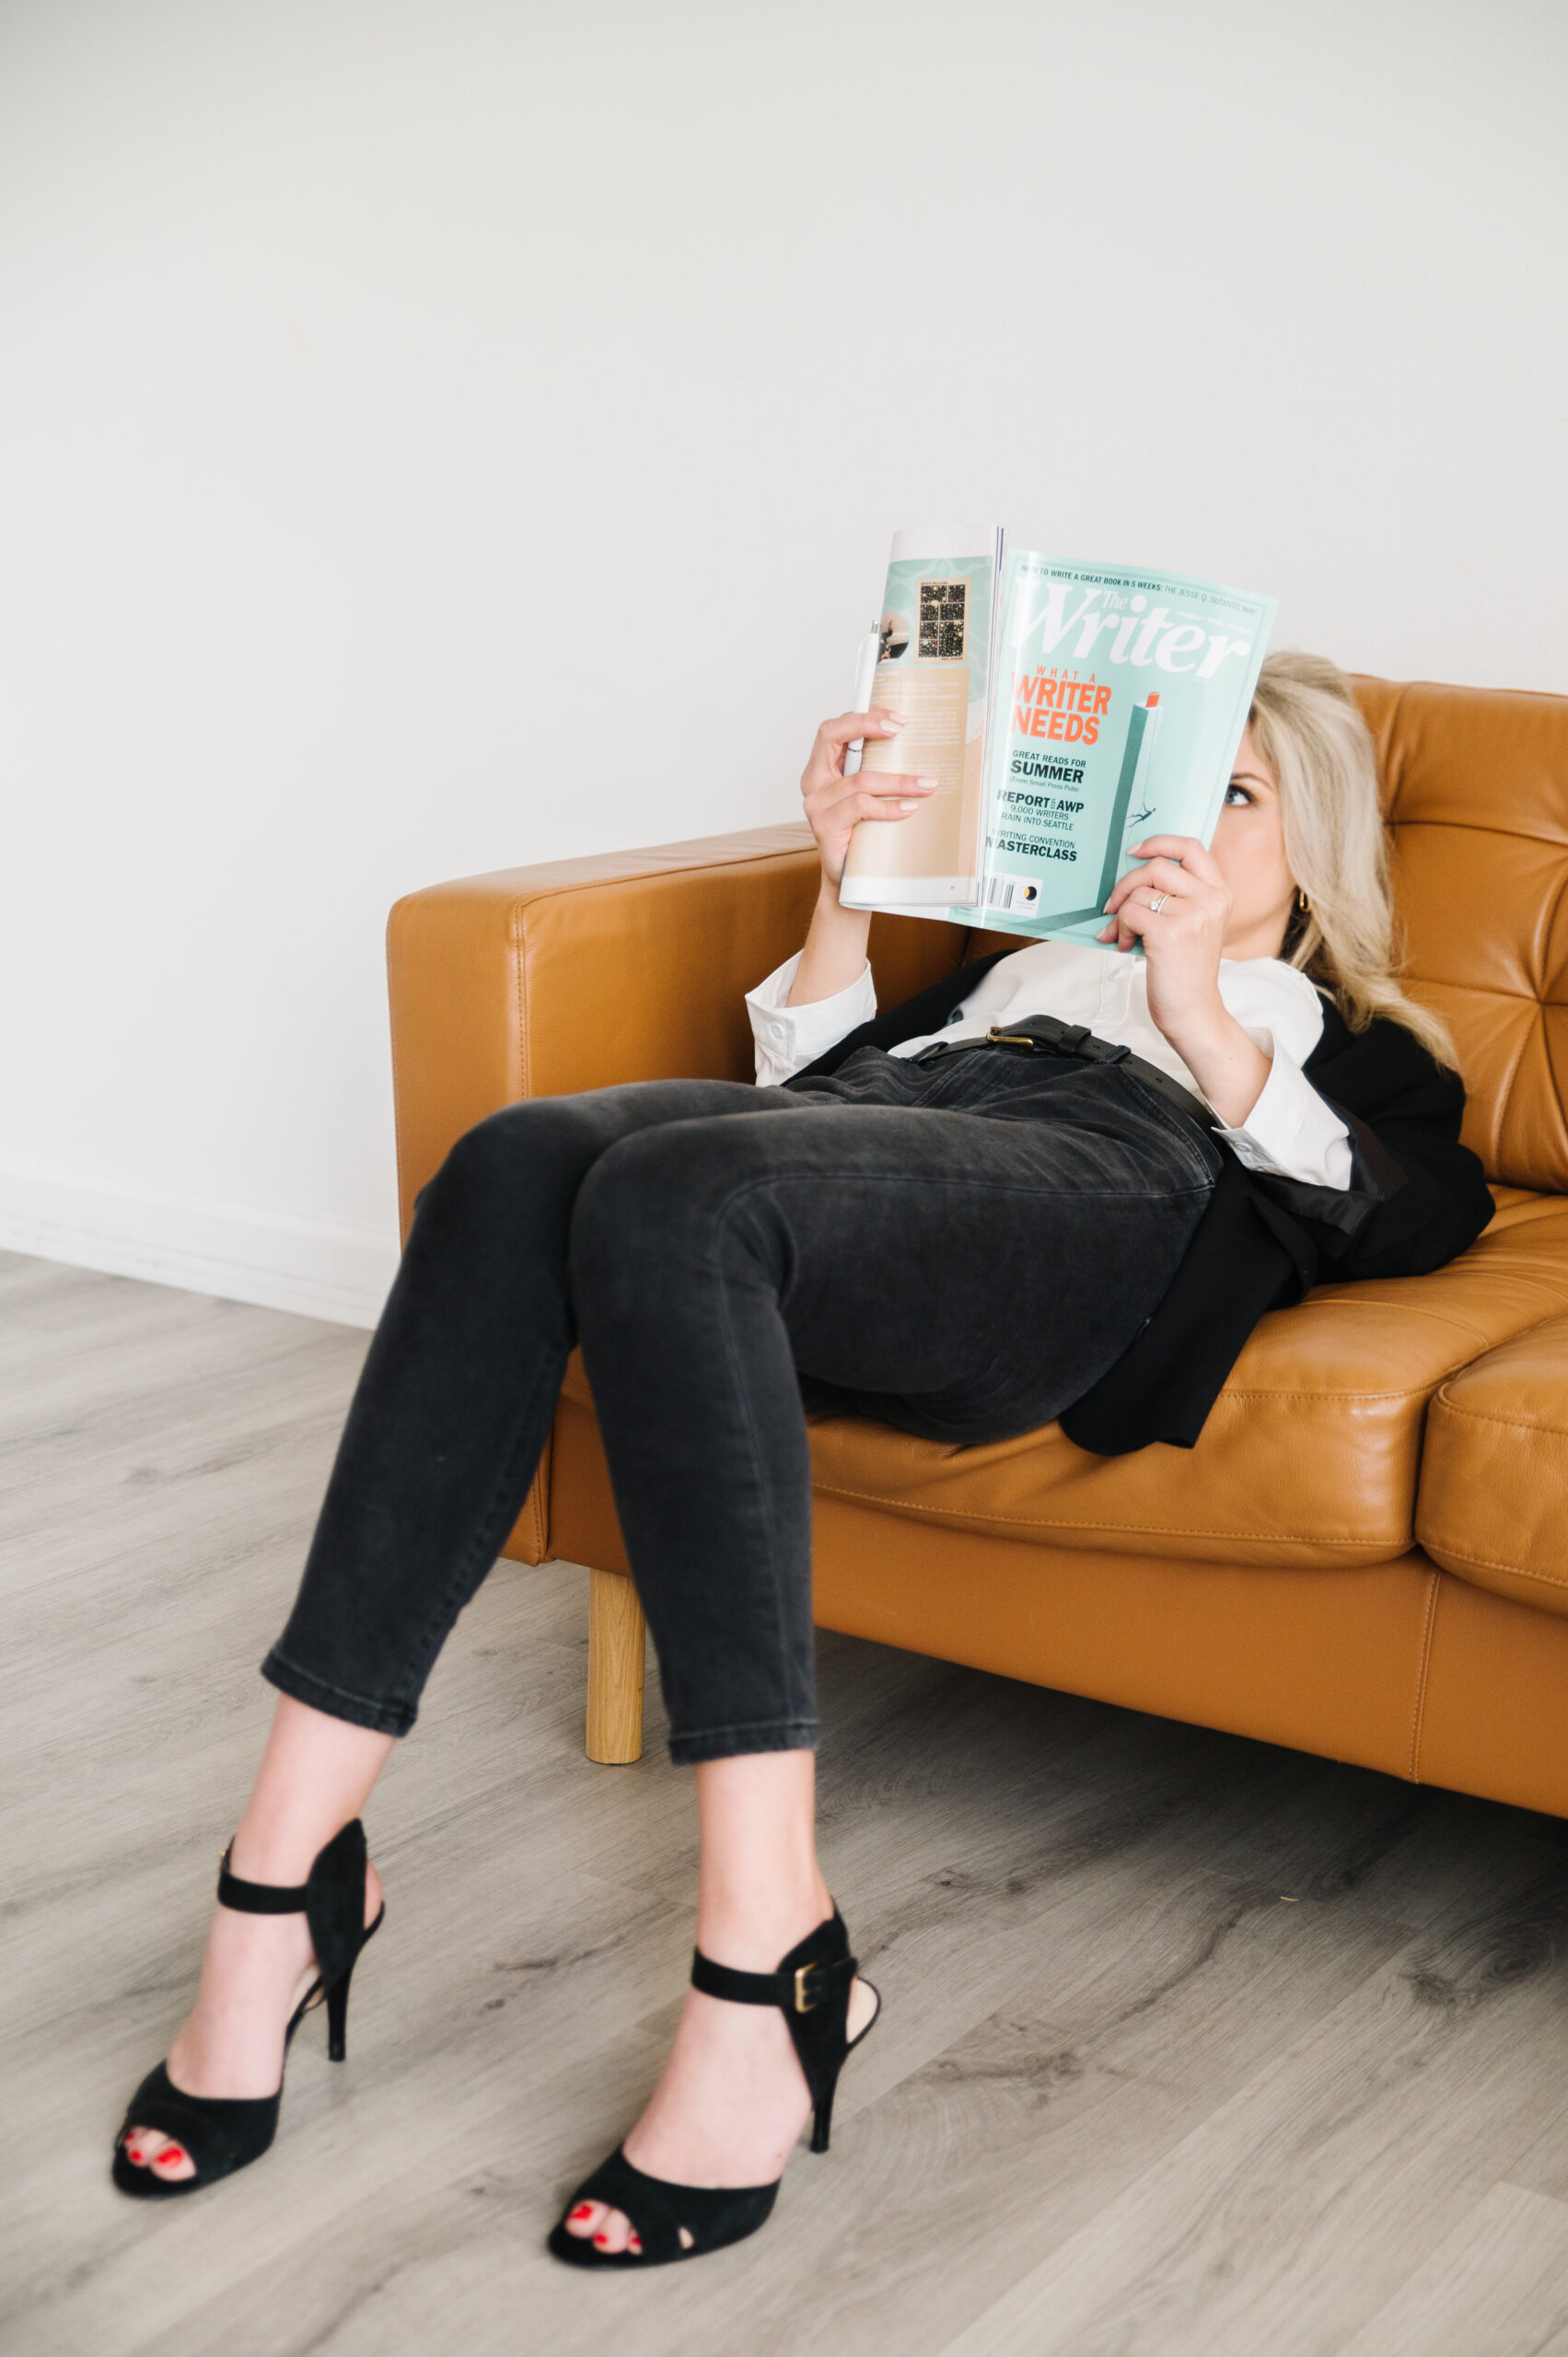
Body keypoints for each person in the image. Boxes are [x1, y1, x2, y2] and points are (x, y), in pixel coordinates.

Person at [111, 652, 1493, 2268]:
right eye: (1162, 800)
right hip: (928, 1119)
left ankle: (765, 1957)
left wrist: (1193, 1002)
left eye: (1232, 800)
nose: (1179, 835)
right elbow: (817, 1120)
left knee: (680, 1202)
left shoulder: (1346, 1041)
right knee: (510, 1164)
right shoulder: (1019, 968)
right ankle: (279, 1878)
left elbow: (1398, 1212)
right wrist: (849, 892)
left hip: (1107, 1175)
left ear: (1313, 852)